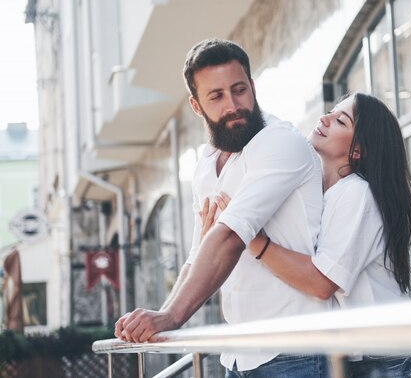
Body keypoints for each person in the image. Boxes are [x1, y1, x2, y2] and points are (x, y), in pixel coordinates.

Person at [114, 38, 330, 377]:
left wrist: (172, 318)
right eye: (216, 96)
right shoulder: (207, 165)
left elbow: (229, 238)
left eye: (239, 89)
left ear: (253, 88)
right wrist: (160, 315)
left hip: (295, 352)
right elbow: (198, 254)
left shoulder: (279, 143)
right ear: (197, 106)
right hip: (240, 354)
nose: (233, 105)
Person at [208, 92, 411, 378]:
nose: (324, 119)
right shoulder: (319, 193)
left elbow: (321, 283)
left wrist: (251, 238)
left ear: (357, 151)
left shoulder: (357, 193)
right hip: (358, 356)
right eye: (330, 111)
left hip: (392, 357)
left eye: (340, 120)